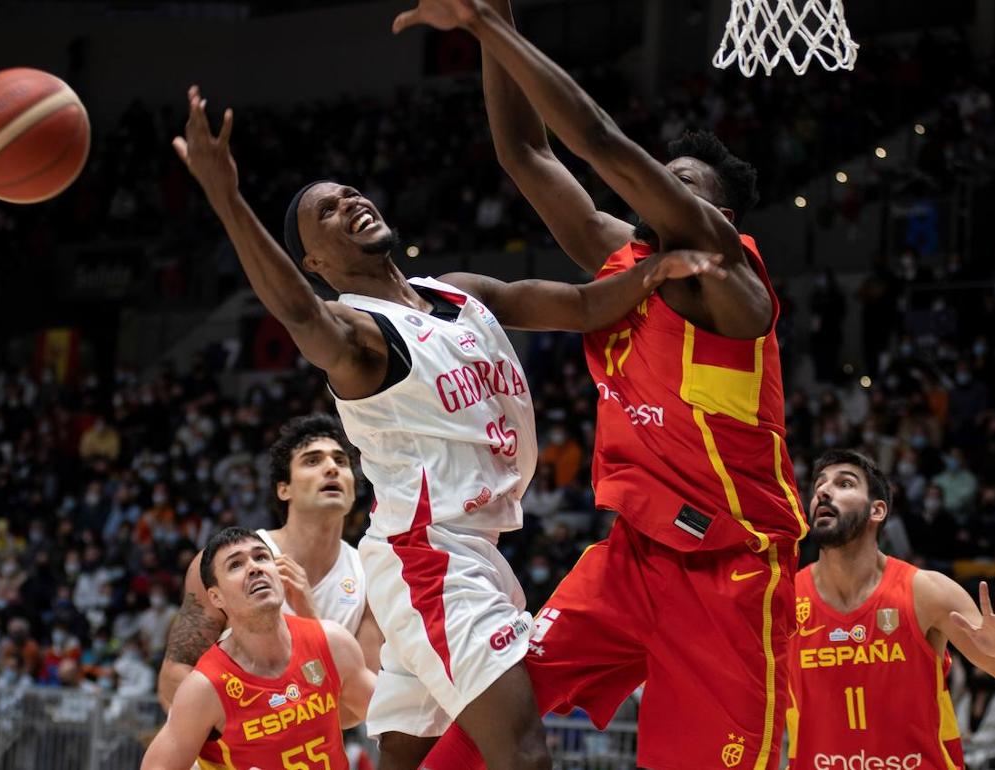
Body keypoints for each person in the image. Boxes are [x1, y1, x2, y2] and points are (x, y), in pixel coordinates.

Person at [172, 86, 724, 770]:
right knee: (522, 754)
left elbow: (583, 306)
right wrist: (227, 197)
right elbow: (298, 313)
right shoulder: (356, 333)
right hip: (429, 557)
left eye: (349, 193)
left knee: (414, 759)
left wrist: (654, 273)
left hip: (463, 548)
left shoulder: (458, 291)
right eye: (327, 211)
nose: (349, 202)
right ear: (314, 263)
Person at [396, 2, 805, 768]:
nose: (652, 192)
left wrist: (486, 27)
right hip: (630, 559)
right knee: (492, 722)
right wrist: (496, 9)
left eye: (677, 185)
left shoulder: (733, 282)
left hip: (731, 570)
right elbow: (525, 152)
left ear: (715, 216)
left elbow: (599, 140)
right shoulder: (629, 259)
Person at [788, 450, 995, 769]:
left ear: (877, 510)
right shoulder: (784, 598)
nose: (823, 491)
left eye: (844, 483)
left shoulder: (927, 592)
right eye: (819, 485)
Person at [158, 415, 383, 708]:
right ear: (283, 489)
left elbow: (360, 705)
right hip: (231, 734)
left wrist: (311, 625)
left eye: (341, 462)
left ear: (353, 489)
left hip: (316, 739)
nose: (332, 468)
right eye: (312, 461)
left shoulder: (369, 574)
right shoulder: (227, 563)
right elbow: (175, 676)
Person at [141, 528, 375, 770]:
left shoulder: (332, 641)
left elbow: (392, 717)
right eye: (235, 565)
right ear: (216, 597)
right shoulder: (205, 687)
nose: (254, 567)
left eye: (261, 557)